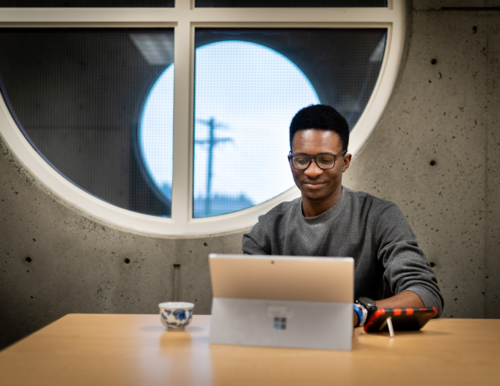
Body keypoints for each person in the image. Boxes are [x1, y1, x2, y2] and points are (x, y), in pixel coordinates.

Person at [242, 104, 444, 327]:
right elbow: (243, 304)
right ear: (291, 162)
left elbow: (425, 294)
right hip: (286, 346)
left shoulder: (379, 217)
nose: (312, 170)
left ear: (345, 162)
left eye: (325, 159)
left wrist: (359, 312)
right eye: (301, 159)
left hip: (366, 351)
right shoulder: (267, 230)